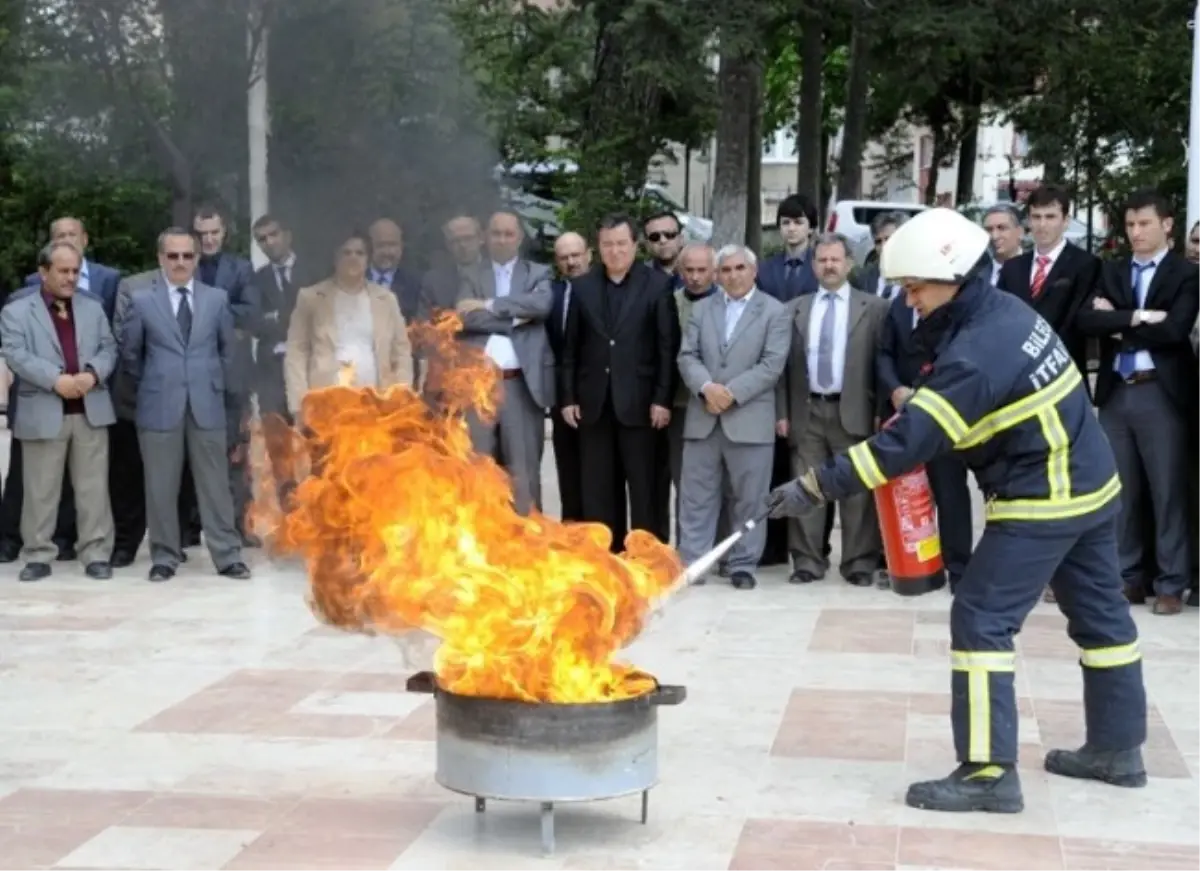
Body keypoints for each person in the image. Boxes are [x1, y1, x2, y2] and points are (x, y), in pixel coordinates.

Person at [766, 208, 1147, 814]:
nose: (909, 301)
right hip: (1092, 486)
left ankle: (988, 773)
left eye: (915, 287)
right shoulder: (1005, 312)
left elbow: (906, 445)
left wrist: (816, 486)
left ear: (951, 277)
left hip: (1042, 496)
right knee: (1103, 621)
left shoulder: (977, 352)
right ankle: (1118, 748)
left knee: (980, 620)